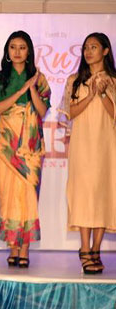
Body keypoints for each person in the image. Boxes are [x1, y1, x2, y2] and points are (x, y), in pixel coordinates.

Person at [0, 31, 50, 269]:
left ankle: (24, 249)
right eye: (12, 47)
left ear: (29, 51)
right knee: (8, 196)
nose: (17, 51)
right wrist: (20, 91)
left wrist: (32, 88)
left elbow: (42, 111)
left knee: (28, 196)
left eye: (22, 47)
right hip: (5, 145)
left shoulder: (39, 78)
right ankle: (12, 247)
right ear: (7, 51)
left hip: (31, 146)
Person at [57, 32, 116, 275]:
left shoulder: (113, 80)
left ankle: (96, 249)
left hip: (106, 144)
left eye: (94, 47)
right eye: (86, 48)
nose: (88, 52)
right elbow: (69, 113)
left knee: (102, 193)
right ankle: (84, 248)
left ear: (105, 51)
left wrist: (102, 93)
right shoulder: (75, 80)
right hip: (82, 144)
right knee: (83, 193)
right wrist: (91, 94)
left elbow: (114, 114)